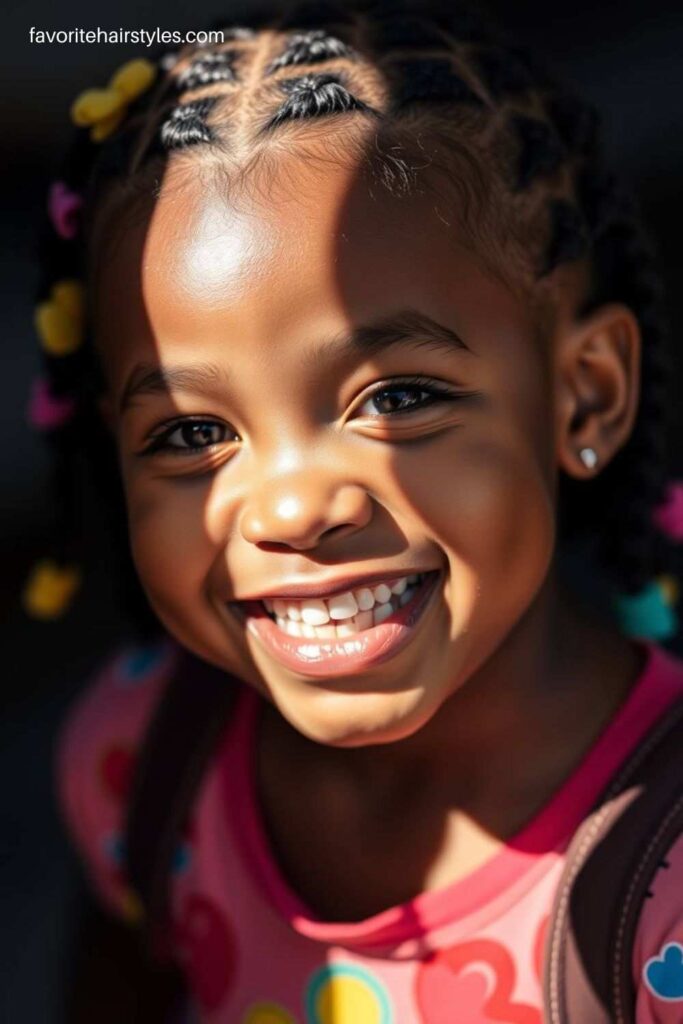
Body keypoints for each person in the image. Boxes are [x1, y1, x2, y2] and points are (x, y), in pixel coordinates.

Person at [22, 1, 683, 1020]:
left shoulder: (657, 897)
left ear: (582, 393)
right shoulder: (143, 762)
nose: (289, 506)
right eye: (192, 434)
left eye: (397, 398)